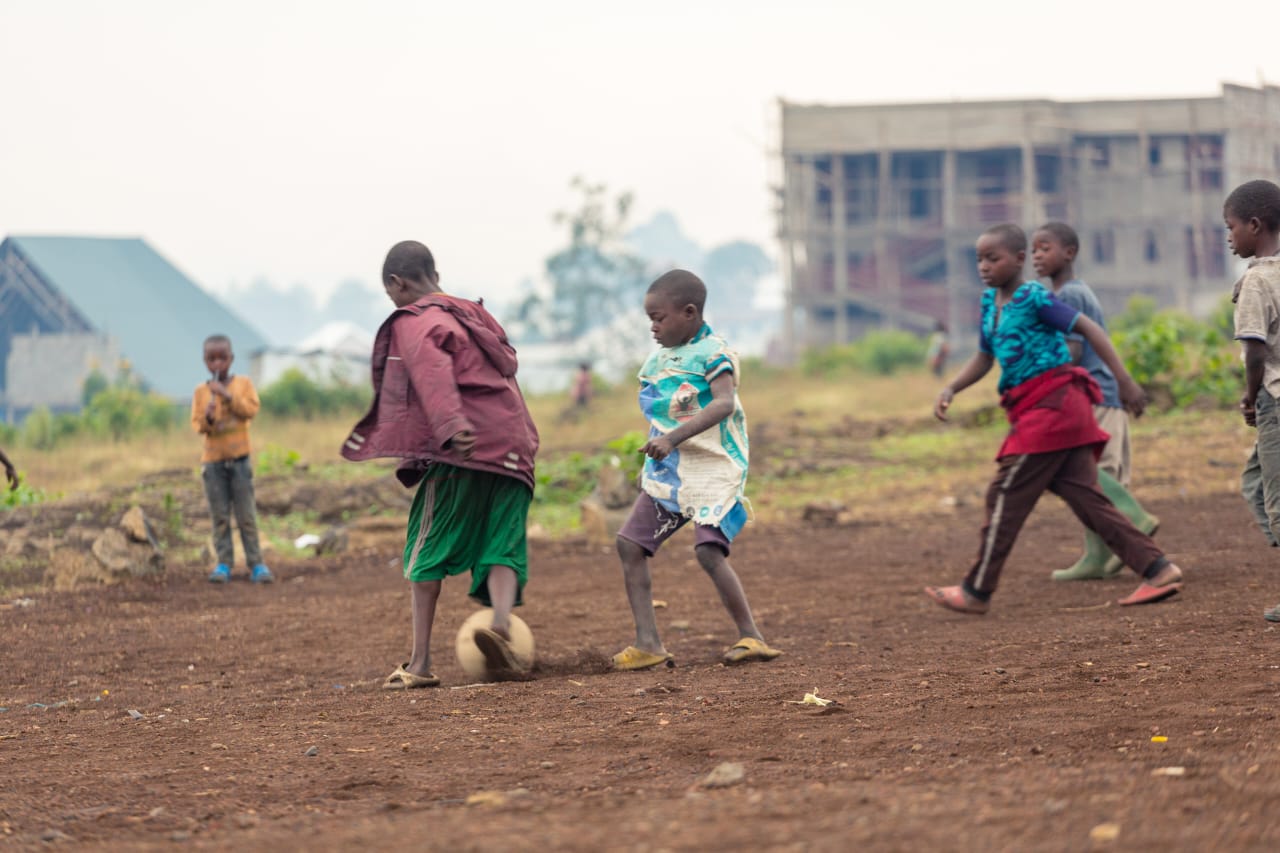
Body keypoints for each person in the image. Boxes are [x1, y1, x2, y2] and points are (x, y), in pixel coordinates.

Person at [926, 224, 1185, 614]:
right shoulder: (988, 303)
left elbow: (1088, 328)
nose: (984, 266)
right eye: (979, 259)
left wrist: (1124, 380)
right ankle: (1158, 569)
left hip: (1054, 407)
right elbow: (984, 356)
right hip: (1034, 409)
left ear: (1018, 259)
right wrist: (951, 388)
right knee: (1087, 498)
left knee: (1004, 494)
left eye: (993, 258)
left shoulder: (1034, 298)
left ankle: (977, 589)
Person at [341, 240, 540, 687]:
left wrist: (451, 425)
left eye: (389, 293)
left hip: (464, 446)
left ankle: (420, 663)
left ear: (397, 284)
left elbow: (432, 374)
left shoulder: (417, 320)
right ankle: (501, 623)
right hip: (515, 443)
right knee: (503, 539)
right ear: (435, 274)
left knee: (425, 549)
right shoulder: (475, 313)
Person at [611, 269, 781, 670]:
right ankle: (648, 643)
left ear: (689, 313)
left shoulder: (713, 353)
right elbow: (664, 413)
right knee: (629, 545)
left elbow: (723, 403)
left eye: (659, 318)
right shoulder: (659, 361)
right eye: (650, 319)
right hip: (671, 471)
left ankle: (752, 637)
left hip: (713, 468)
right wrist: (656, 455)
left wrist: (672, 439)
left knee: (708, 551)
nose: (653, 327)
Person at [1031, 222, 1159, 581]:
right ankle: (1098, 556)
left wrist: (1038, 374)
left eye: (1045, 248)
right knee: (1096, 473)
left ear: (1069, 253)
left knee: (1090, 474)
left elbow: (1072, 352)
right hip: (1102, 393)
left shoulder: (1068, 295)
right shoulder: (1074, 291)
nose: (1037, 256)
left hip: (1095, 394)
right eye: (1034, 249)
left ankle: (1132, 519)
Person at [1223, 180, 1280, 621]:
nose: (1229, 237)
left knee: (1274, 499)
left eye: (1232, 227)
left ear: (1255, 226)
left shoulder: (1257, 281)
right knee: (1254, 479)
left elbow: (1255, 350)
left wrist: (1248, 396)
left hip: (1274, 401)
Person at [190, 335, 273, 584]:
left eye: (222, 358)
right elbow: (198, 426)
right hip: (213, 463)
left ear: (231, 359)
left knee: (246, 515)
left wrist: (226, 395)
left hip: (239, 460)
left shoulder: (243, 384)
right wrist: (208, 417)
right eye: (212, 359)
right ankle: (224, 563)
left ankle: (256, 563)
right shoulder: (201, 392)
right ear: (205, 361)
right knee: (220, 516)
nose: (217, 364)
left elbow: (250, 410)